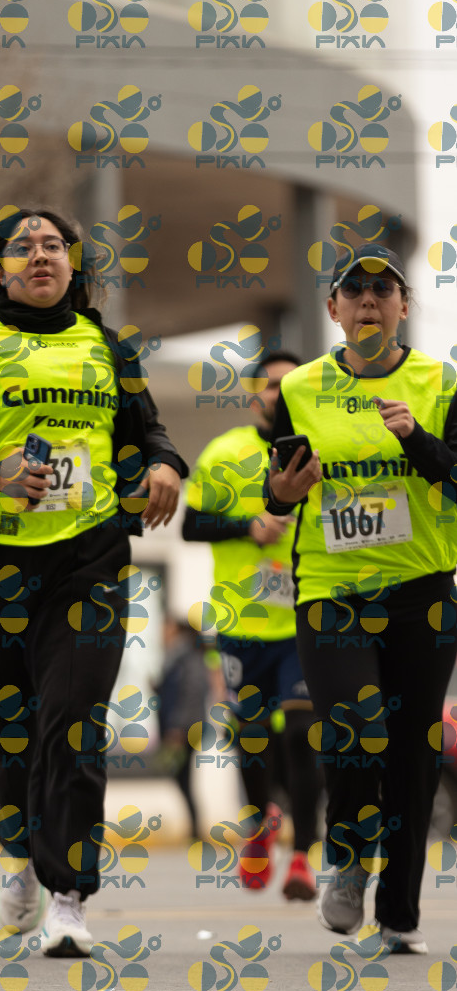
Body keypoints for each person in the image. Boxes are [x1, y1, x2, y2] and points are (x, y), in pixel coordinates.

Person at [0, 208, 187, 956]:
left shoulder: (108, 347)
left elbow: (148, 432)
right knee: (14, 734)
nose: (40, 255)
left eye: (54, 245)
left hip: (86, 562)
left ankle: (68, 898)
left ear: (73, 264)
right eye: (23, 247)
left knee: (72, 720)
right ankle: (25, 859)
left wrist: (164, 465)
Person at [265, 242, 457, 954]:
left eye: (383, 289)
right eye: (354, 289)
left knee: (412, 754)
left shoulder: (441, 382)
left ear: (405, 305)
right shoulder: (300, 388)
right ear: (333, 308)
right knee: (352, 727)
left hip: (421, 590)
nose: (369, 299)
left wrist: (418, 441)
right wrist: (280, 493)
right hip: (332, 589)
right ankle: (346, 857)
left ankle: (398, 917)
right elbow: (277, 488)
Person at [182, 352, 321, 898]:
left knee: (304, 737)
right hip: (242, 622)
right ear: (252, 394)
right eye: (270, 385)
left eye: (290, 385)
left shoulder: (321, 449)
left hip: (303, 620)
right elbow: (190, 524)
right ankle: (260, 827)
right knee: (254, 740)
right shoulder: (225, 452)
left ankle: (303, 857)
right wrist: (248, 526)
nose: (278, 394)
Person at [153, 618, 210, 841]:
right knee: (182, 778)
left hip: (185, 729)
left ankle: (196, 829)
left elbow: (192, 692)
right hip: (181, 727)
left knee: (184, 778)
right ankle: (194, 828)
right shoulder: (176, 656)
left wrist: (178, 727)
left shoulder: (187, 657)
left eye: (166, 628)